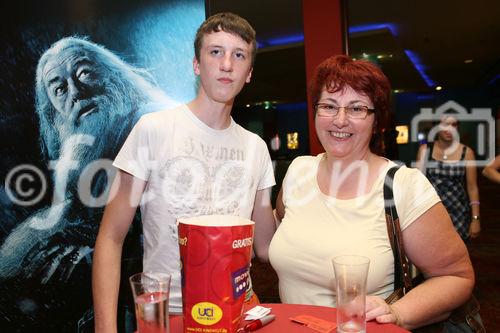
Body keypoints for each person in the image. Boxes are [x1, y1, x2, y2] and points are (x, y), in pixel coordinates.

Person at [92, 12, 276, 332]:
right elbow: (110, 237)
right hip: (168, 313)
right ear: (196, 64)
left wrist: (304, 204)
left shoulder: (256, 148)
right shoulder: (154, 130)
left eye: (239, 55)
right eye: (215, 51)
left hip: (238, 309)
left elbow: (264, 245)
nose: (227, 64)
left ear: (248, 73)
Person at [269, 55, 474, 330]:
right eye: (329, 106)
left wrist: (396, 312)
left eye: (356, 109)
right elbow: (280, 221)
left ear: (377, 121)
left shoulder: (404, 186)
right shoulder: (299, 171)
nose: (340, 120)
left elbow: (456, 277)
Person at [416, 115, 481, 241]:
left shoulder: (467, 152)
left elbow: (472, 188)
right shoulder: (425, 150)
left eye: (454, 125)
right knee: (432, 254)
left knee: (457, 255)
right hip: (432, 213)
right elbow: (417, 187)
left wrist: (475, 218)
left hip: (459, 214)